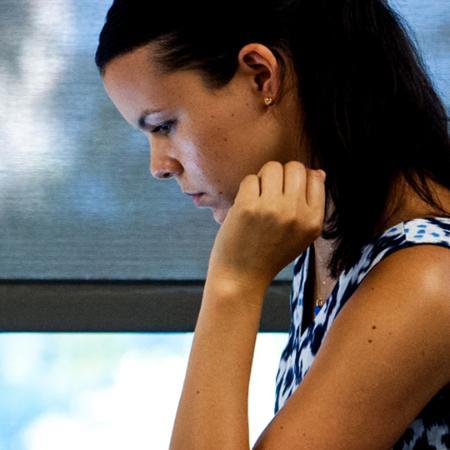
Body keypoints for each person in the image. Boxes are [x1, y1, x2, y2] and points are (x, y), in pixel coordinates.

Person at [95, 0, 450, 448]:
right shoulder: (326, 233)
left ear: (261, 75)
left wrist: (234, 282)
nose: (159, 166)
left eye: (165, 125)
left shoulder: (428, 277)